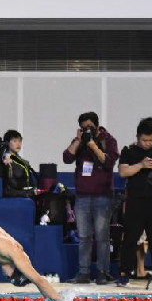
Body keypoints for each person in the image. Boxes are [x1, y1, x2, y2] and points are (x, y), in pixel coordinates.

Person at [63, 112, 119, 285]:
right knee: (84, 237)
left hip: (103, 196)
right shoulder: (79, 142)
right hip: (82, 197)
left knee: (102, 237)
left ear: (97, 126)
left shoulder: (108, 140)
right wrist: (78, 140)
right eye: (83, 127)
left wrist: (93, 146)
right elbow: (66, 158)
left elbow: (108, 162)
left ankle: (103, 273)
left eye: (90, 127)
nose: (87, 130)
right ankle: (84, 273)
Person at [116, 117, 152, 287]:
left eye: (151, 140)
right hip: (135, 202)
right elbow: (123, 172)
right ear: (137, 136)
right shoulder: (129, 151)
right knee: (130, 239)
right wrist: (141, 165)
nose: (147, 143)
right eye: (144, 140)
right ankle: (124, 274)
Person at [1, 130, 36, 198]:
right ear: (7, 143)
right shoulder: (6, 158)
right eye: (14, 141)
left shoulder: (20, 159)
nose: (18, 144)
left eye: (20, 141)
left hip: (22, 190)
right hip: (13, 192)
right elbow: (12, 180)